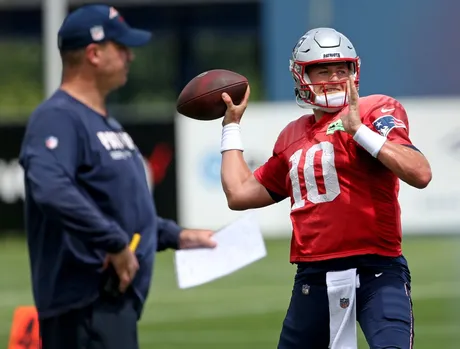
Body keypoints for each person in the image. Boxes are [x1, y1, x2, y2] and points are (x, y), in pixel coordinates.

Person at [219, 27, 432, 349]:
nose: (334, 78)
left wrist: (359, 130)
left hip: (376, 269)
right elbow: (239, 194)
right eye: (323, 70)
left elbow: (420, 173)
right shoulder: (293, 134)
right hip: (313, 276)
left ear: (354, 72)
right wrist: (231, 126)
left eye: (341, 69)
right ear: (302, 75)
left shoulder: (375, 109)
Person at [18, 4, 216, 349]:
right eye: (121, 48)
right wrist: (113, 242)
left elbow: (120, 208)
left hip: (110, 305)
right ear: (94, 53)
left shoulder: (104, 122)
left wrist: (176, 235)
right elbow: (50, 188)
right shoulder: (58, 117)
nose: (130, 57)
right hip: (82, 304)